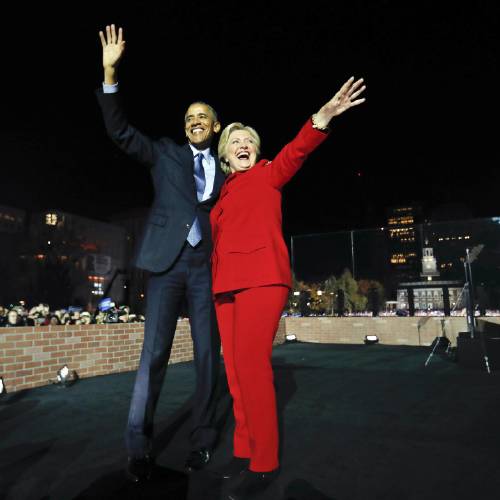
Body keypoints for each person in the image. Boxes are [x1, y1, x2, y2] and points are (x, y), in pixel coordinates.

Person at [211, 76, 366, 498]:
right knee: (236, 372)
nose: (242, 144)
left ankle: (264, 463)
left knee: (253, 367)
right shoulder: (224, 193)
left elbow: (295, 152)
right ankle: (244, 450)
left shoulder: (266, 175)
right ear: (224, 154)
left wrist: (322, 118)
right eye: (235, 141)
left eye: (248, 140)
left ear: (255, 150)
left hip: (261, 279)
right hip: (225, 287)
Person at [96, 25, 225, 481]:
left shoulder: (226, 169)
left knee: (209, 356)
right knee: (153, 356)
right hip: (166, 268)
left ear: (215, 126)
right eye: (189, 116)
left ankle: (204, 440)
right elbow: (120, 132)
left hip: (206, 269)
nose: (194, 121)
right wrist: (110, 74)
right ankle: (138, 445)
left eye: (202, 117)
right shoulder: (165, 153)